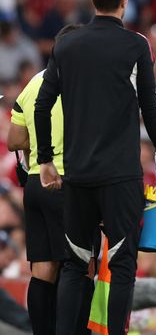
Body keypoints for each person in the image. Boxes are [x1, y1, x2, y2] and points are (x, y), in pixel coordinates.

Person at [34, 0, 156, 335]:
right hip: (120, 176)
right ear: (124, 1)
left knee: (74, 263)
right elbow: (150, 107)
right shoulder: (135, 46)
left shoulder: (67, 44)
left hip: (79, 176)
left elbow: (41, 105)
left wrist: (47, 162)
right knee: (122, 265)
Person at [7, 23, 83, 335]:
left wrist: (39, 144)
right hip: (65, 183)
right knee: (77, 267)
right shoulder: (80, 83)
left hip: (35, 185)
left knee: (42, 270)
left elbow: (13, 140)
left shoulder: (33, 83)